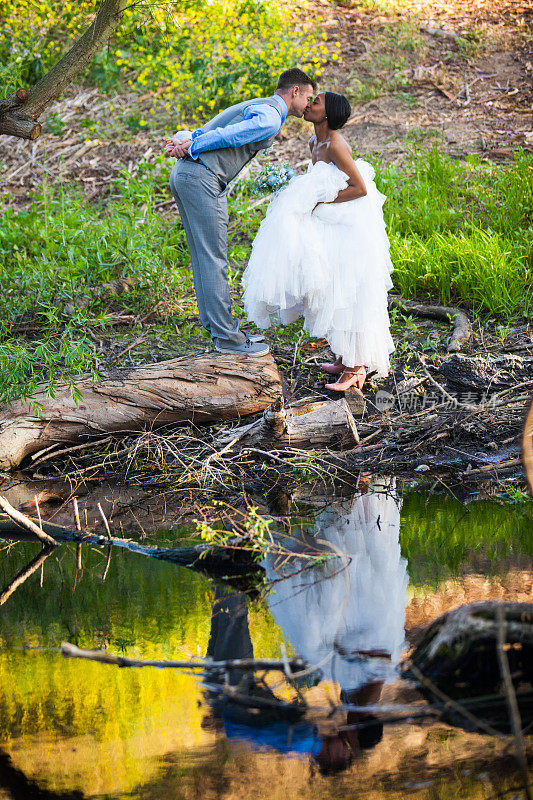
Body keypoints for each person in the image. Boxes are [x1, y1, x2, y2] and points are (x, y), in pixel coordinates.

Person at [242, 91, 396, 389]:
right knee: (329, 287)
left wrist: (320, 204)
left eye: (316, 102)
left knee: (346, 289)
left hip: (345, 222)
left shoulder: (336, 145)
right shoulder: (314, 141)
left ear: (327, 114)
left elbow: (359, 188)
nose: (309, 104)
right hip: (327, 221)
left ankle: (356, 367)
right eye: (310, 100)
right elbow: (320, 177)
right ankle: (343, 356)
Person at [164, 68, 316, 357]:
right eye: (308, 97)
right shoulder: (271, 116)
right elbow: (232, 135)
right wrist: (193, 144)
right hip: (201, 178)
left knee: (203, 258)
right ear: (294, 91)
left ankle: (218, 328)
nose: (308, 104)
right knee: (213, 260)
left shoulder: (259, 105)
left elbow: (216, 128)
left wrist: (189, 141)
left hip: (187, 175)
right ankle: (227, 339)